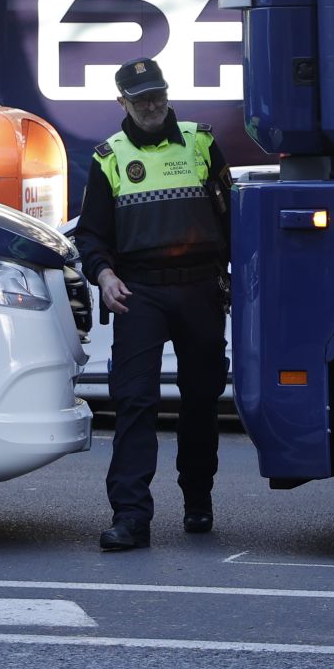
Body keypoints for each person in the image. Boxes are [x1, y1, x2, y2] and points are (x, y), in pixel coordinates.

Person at [73, 57, 233, 551]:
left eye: (157, 95)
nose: (151, 105)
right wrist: (103, 275)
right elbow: (92, 235)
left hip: (201, 288)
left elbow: (231, 219)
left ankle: (197, 500)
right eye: (140, 98)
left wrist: (233, 277)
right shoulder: (110, 157)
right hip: (140, 292)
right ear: (122, 102)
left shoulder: (201, 141)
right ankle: (131, 517)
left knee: (202, 400)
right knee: (135, 401)